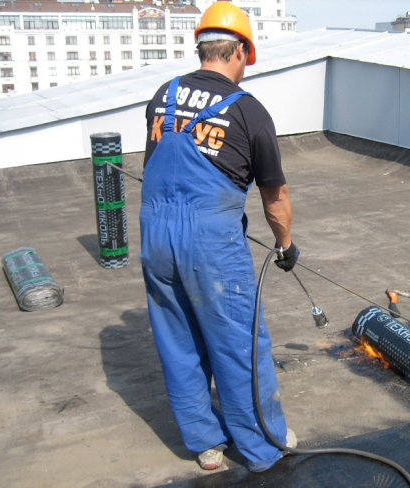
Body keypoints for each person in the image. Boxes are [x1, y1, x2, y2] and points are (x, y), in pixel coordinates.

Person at [139, 1, 299, 473]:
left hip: (155, 233)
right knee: (237, 343)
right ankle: (262, 444)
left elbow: (156, 166)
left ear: (202, 48)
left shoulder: (164, 95)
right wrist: (285, 245)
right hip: (209, 242)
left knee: (179, 341)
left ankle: (205, 444)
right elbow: (275, 197)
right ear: (242, 51)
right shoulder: (248, 111)